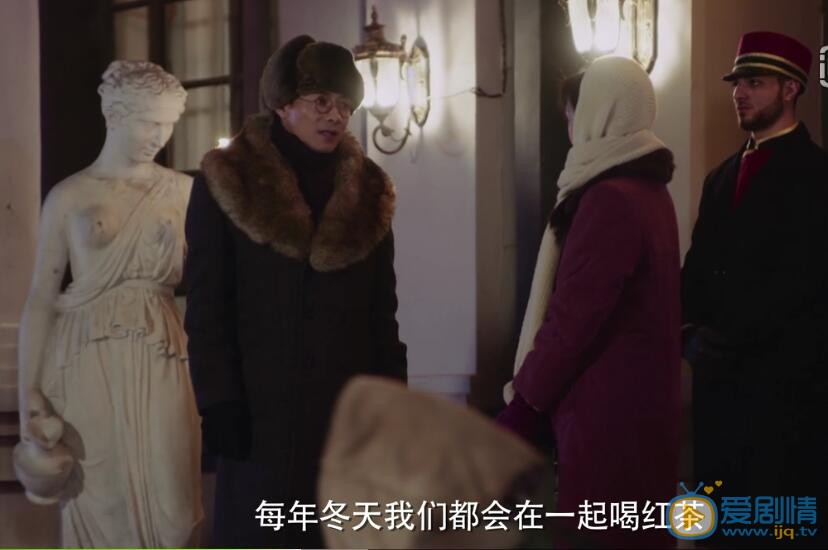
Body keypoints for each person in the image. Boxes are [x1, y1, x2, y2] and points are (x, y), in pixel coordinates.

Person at [184, 34, 407, 547]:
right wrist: (218, 401)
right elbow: (208, 306)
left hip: (343, 418)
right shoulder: (227, 180)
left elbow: (383, 319)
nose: (335, 116)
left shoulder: (370, 193)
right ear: (284, 104)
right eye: (320, 101)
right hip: (256, 413)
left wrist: (392, 407)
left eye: (345, 105)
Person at [497, 56, 681, 548]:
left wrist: (523, 407)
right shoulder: (651, 192)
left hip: (605, 420)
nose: (569, 128)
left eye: (572, 114)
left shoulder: (609, 199)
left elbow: (572, 321)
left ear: (601, 112)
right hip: (641, 416)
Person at [16, 60, 203, 547]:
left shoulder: (185, 192)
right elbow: (42, 297)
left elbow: (213, 291)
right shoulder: (70, 196)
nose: (158, 136)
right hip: (85, 356)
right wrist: (27, 392)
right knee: (102, 500)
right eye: (148, 122)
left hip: (161, 351)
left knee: (177, 514)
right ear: (115, 115)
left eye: (167, 124)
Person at [682, 31, 828, 546]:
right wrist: (688, 333)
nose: (739, 93)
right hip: (717, 387)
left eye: (755, 82)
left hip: (783, 390)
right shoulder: (721, 176)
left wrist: (734, 339)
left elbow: (804, 280)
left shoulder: (817, 175)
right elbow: (697, 270)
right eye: (737, 83)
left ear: (791, 89)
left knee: (775, 527)